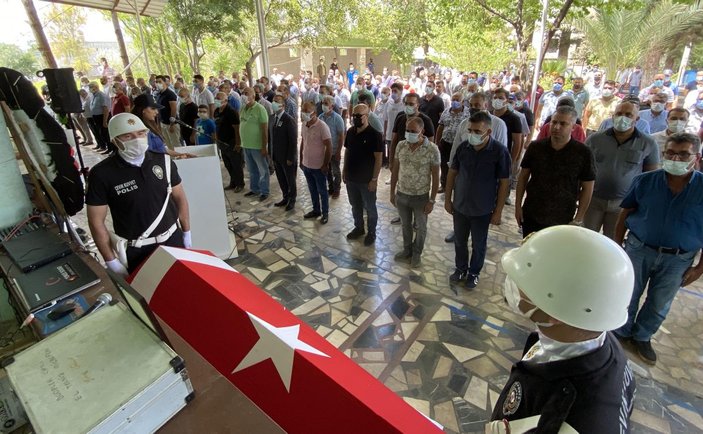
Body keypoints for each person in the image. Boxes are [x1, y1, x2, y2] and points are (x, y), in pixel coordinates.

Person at [489, 225, 635, 433]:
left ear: (556, 312)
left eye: (525, 282)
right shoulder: (603, 344)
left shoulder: (573, 423)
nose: (513, 284)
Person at [614, 133, 703, 365]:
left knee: (659, 302)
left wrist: (699, 268)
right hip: (639, 248)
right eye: (671, 153)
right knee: (627, 293)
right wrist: (617, 246)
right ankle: (621, 331)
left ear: (696, 157)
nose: (676, 158)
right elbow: (625, 213)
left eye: (683, 154)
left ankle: (642, 336)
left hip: (678, 259)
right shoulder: (645, 181)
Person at [86, 113, 191, 276]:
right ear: (115, 141)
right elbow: (95, 221)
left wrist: (186, 233)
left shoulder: (163, 161)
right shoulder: (101, 174)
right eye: (128, 136)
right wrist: (111, 260)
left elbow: (180, 198)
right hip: (138, 250)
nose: (137, 139)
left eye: (141, 133)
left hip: (173, 239)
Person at [444, 112, 510, 288]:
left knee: (479, 243)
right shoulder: (463, 147)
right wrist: (448, 199)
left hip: (482, 208)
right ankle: (460, 268)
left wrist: (498, 211)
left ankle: (474, 273)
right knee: (459, 240)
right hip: (460, 205)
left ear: (488, 132)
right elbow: (452, 173)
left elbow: (504, 183)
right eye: (470, 130)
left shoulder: (499, 152)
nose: (472, 134)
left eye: (477, 131)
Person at [516, 106, 596, 237]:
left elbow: (588, 187)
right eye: (554, 122)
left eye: (563, 123)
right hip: (532, 212)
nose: (557, 127)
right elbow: (523, 177)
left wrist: (578, 218)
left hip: (562, 218)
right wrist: (518, 206)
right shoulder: (536, 147)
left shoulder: (583, 153)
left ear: (573, 127)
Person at [584, 101, 660, 239]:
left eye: (628, 114)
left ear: (636, 119)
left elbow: (650, 175)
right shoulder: (595, 139)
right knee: (586, 237)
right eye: (619, 114)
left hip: (623, 203)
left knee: (613, 241)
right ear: (613, 116)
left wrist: (639, 202)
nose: (622, 117)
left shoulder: (648, 143)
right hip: (593, 200)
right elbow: (583, 168)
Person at [390, 117, 440, 268]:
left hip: (421, 197)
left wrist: (431, 200)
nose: (409, 134)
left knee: (421, 227)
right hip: (402, 194)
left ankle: (417, 253)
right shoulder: (401, 145)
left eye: (413, 131)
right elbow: (395, 170)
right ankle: (407, 250)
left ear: (422, 131)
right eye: (407, 131)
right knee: (405, 225)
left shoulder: (432, 149)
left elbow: (436, 177)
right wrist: (392, 192)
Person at [342, 104, 384, 246]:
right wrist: (344, 170)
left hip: (366, 180)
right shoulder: (350, 132)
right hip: (352, 177)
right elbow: (347, 152)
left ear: (367, 116)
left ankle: (371, 232)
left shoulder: (375, 135)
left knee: (370, 207)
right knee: (355, 205)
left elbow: (378, 158)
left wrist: (374, 179)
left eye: (359, 116)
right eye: (354, 115)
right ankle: (359, 227)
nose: (355, 118)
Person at [300, 101, 332, 224]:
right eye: (303, 111)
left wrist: (325, 164)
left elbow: (329, 146)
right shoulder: (304, 124)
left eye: (307, 112)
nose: (304, 114)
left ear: (314, 113)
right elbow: (303, 141)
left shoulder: (322, 126)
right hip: (307, 164)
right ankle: (316, 210)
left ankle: (325, 213)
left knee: (322, 191)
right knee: (312, 189)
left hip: (319, 166)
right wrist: (301, 157)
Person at [240, 87, 270, 201]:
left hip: (257, 146)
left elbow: (264, 129)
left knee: (262, 169)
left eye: (246, 93)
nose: (244, 95)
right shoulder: (243, 108)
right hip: (246, 145)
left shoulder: (260, 109)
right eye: (243, 93)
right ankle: (255, 189)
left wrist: (264, 146)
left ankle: (264, 191)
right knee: (252, 169)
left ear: (253, 96)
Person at [269, 94, 298, 211]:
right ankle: (285, 197)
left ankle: (292, 199)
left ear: (283, 105)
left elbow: (293, 141)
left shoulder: (288, 120)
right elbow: (270, 136)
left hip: (287, 157)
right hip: (276, 155)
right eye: (273, 101)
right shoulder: (272, 118)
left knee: (290, 179)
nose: (274, 103)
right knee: (281, 178)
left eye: (277, 101)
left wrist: (291, 157)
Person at [435, 93, 468, 193]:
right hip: (445, 143)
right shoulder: (446, 111)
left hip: (460, 145)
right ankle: (444, 185)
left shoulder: (468, 113)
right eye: (453, 99)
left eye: (457, 100)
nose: (455, 102)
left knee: (459, 166)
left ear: (462, 102)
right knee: (444, 165)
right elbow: (440, 127)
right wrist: (437, 142)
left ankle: (457, 186)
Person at [213, 91, 244, 192]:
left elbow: (237, 128)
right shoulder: (216, 111)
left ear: (226, 101)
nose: (217, 100)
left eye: (219, 99)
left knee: (236, 164)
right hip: (222, 142)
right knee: (228, 164)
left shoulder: (231, 112)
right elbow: (217, 126)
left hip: (231, 141)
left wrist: (238, 143)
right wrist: (217, 139)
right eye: (216, 98)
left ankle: (240, 183)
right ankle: (233, 182)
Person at [319, 95, 346, 199]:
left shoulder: (337, 118)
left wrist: (339, 151)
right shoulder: (321, 117)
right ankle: (330, 187)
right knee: (327, 170)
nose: (324, 105)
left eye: (326, 103)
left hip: (334, 150)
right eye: (323, 103)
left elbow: (341, 136)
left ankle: (337, 189)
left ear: (332, 105)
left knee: (336, 171)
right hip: (324, 151)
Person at [87, 81, 112, 154]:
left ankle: (111, 149)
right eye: (89, 87)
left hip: (103, 117)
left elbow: (105, 109)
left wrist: (105, 121)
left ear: (96, 87)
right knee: (102, 134)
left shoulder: (101, 95)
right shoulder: (93, 95)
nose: (90, 89)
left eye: (91, 87)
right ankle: (107, 147)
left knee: (106, 134)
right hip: (96, 117)